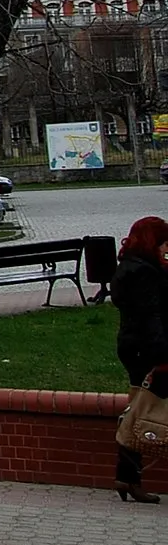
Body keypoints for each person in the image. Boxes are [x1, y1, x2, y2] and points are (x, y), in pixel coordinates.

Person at [111, 215, 168, 503]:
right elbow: (152, 316)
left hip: (132, 346)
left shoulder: (130, 266)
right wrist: (163, 356)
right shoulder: (146, 273)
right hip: (148, 348)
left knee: (137, 407)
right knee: (141, 410)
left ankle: (127, 477)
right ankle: (128, 476)